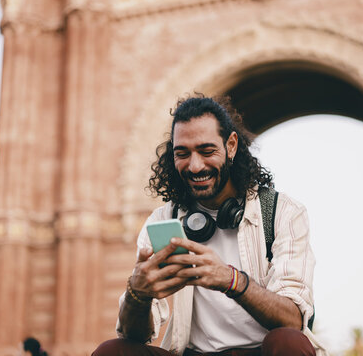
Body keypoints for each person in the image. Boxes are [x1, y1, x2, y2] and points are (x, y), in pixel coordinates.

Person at [93, 95, 328, 356]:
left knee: (288, 342)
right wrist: (138, 293)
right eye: (182, 154)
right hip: (194, 353)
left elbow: (293, 321)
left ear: (231, 145)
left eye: (206, 151)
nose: (195, 166)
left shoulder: (283, 212)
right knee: (112, 352)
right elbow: (134, 336)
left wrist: (231, 280)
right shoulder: (163, 221)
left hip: (262, 351)